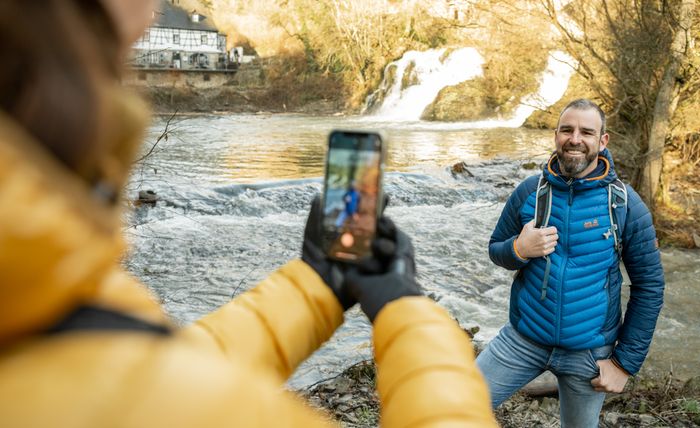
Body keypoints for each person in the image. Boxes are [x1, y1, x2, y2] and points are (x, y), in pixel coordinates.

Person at [0, 1, 497, 427]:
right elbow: (147, 391)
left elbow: (136, 367)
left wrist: (316, 285)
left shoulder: (36, 277)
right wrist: (405, 309)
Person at [476, 99, 665, 427]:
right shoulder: (528, 192)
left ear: (602, 141)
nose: (575, 138)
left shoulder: (625, 204)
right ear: (556, 136)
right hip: (523, 340)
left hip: (590, 354)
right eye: (567, 129)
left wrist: (624, 364)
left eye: (586, 132)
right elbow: (497, 250)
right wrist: (519, 249)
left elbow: (649, 286)